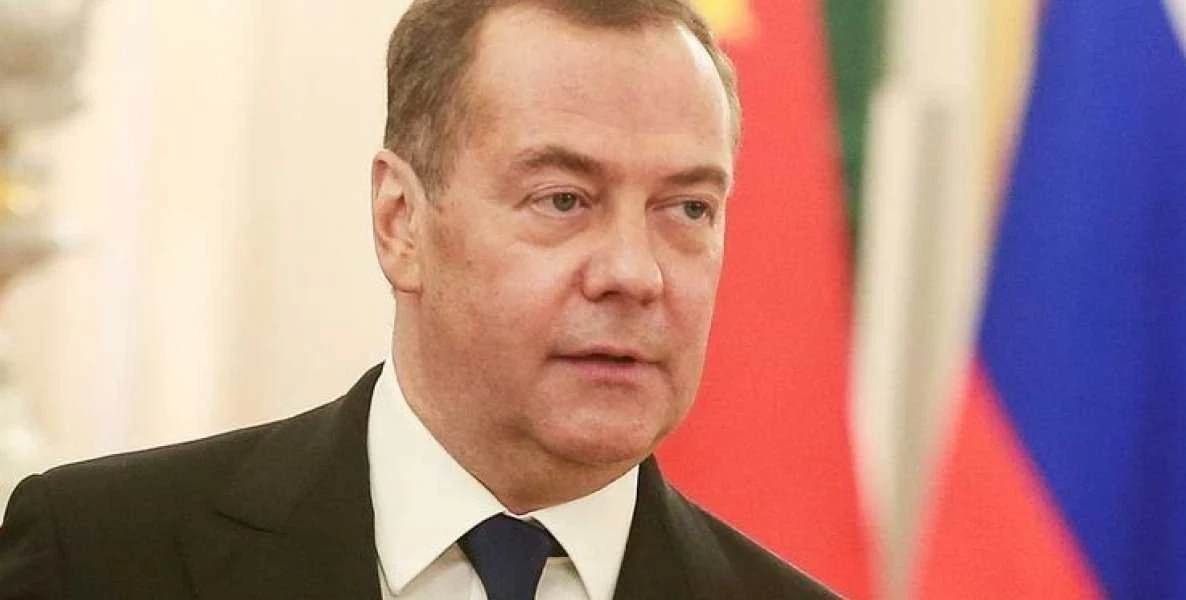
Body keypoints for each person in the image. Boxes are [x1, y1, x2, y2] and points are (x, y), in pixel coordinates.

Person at [0, 1, 842, 598]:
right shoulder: (100, 556)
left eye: (687, 209)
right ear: (400, 221)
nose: (635, 272)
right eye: (563, 199)